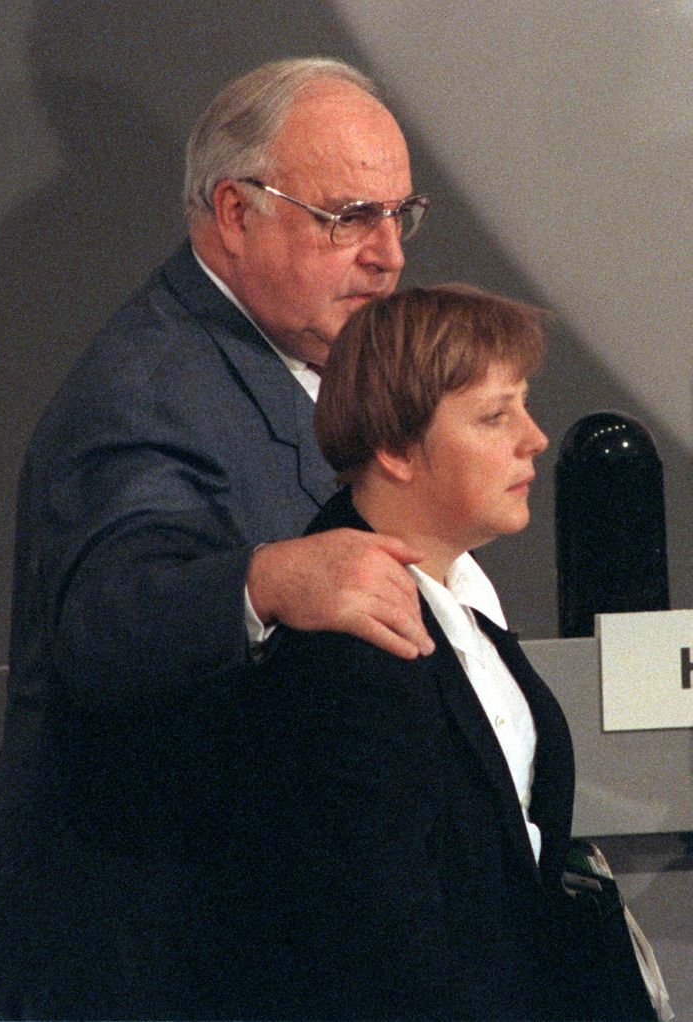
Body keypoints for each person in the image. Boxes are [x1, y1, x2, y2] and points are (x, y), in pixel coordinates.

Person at [0, 58, 433, 1020]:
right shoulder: (148, 388)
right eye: (350, 216)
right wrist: (265, 581)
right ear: (236, 213)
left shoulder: (281, 361)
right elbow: (109, 615)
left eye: (400, 215)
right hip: (143, 967)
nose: (388, 254)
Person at [220, 284, 623, 1021]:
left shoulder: (464, 602)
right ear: (397, 450)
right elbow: (381, 947)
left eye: (523, 406)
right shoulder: (348, 654)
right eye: (495, 416)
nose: (533, 438)